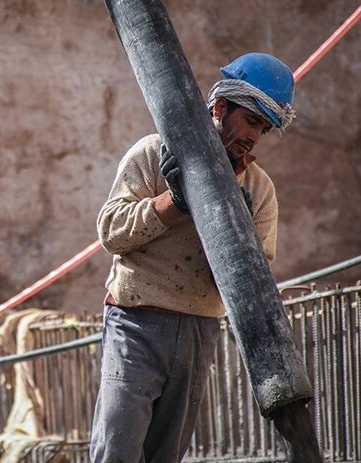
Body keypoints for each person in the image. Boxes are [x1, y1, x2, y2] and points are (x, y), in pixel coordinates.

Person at [89, 53, 296, 463]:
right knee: (117, 449)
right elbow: (111, 232)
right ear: (220, 107)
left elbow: (252, 286)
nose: (255, 136)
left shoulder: (258, 190)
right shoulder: (152, 154)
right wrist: (174, 201)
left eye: (264, 128)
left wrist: (229, 223)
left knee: (166, 454)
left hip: (199, 331)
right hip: (136, 323)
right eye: (251, 120)